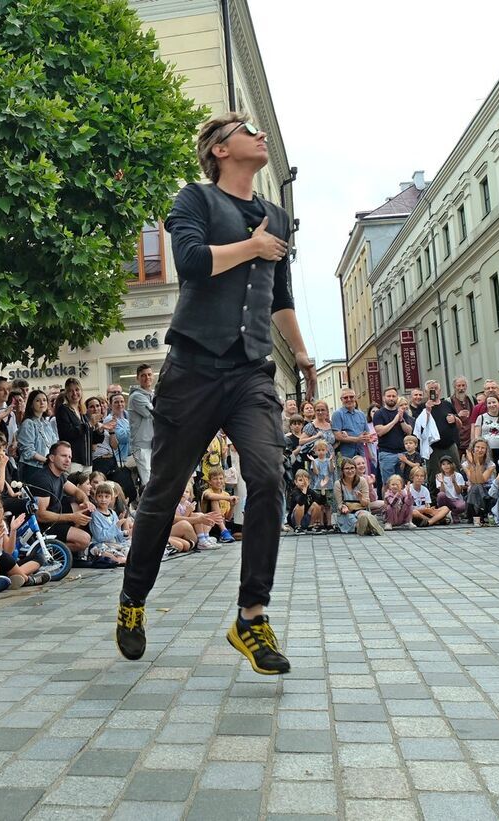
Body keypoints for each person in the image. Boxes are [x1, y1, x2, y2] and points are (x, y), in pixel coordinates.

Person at [115, 114, 317, 672]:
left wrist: (300, 353)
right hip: (193, 369)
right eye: (249, 130)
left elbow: (281, 294)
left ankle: (251, 616)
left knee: (268, 476)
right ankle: (133, 600)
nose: (262, 137)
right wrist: (251, 246)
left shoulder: (277, 216)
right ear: (221, 150)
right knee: (162, 493)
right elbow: (194, 264)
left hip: (251, 370)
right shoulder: (195, 201)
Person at [27, 441, 93, 554]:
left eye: (70, 457)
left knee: (81, 507)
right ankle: (42, 552)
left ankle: (56, 552)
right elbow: (40, 516)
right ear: (52, 458)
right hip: (42, 527)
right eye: (63, 456)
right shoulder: (43, 479)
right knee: (84, 540)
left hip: (54, 521)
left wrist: (86, 502)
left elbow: (77, 491)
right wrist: (72, 517)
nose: (68, 460)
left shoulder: (60, 475)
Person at [0, 486, 47, 587]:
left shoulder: (0, 521)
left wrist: (13, 530)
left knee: (39, 557)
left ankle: (13, 577)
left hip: (6, 565)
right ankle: (27, 580)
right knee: (4, 558)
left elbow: (9, 550)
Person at [372, 386, 413, 486]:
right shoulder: (379, 413)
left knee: (402, 484)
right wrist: (394, 421)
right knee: (388, 484)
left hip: (402, 453)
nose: (391, 398)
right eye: (389, 396)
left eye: (393, 396)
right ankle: (387, 501)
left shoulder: (402, 413)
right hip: (386, 454)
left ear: (397, 397)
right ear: (383, 398)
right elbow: (380, 431)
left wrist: (401, 420)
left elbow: (409, 431)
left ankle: (402, 502)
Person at [54, 378, 95, 468]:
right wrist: (89, 424)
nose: (74, 393)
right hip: (73, 460)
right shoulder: (63, 409)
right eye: (70, 391)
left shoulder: (82, 411)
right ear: (66, 393)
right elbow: (67, 433)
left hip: (87, 461)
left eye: (77, 390)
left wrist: (100, 430)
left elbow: (91, 438)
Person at [126, 364, 155, 487]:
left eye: (149, 374)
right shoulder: (136, 396)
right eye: (143, 375)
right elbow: (155, 413)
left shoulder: (152, 395)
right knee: (148, 482)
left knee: (154, 480)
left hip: (153, 444)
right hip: (142, 446)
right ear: (138, 378)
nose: (147, 377)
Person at [17, 390, 57, 479]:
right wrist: (48, 460)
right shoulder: (28, 423)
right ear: (31, 404)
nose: (42, 403)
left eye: (44, 400)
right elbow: (27, 452)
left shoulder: (46, 423)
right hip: (32, 468)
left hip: (48, 467)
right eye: (38, 400)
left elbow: (55, 444)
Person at [87, 483, 129, 566]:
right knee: (103, 552)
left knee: (129, 548)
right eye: (100, 496)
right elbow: (100, 537)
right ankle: (120, 560)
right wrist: (116, 526)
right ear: (95, 498)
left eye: (106, 496)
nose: (103, 499)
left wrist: (125, 533)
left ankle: (123, 560)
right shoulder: (95, 515)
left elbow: (118, 536)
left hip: (115, 544)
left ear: (111, 498)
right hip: (102, 545)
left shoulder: (113, 513)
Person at [333, 460, 374, 535]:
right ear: (342, 470)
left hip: (360, 509)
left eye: (352, 468)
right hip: (347, 512)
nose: (350, 471)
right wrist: (343, 507)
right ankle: (365, 528)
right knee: (351, 519)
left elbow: (366, 503)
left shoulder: (362, 481)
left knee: (363, 515)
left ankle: (367, 526)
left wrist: (361, 498)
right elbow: (339, 504)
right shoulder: (338, 484)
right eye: (347, 468)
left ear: (355, 469)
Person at [199, 467, 237, 543]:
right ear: (209, 481)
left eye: (221, 478)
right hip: (209, 522)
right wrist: (228, 498)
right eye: (215, 479)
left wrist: (232, 506)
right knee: (214, 499)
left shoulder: (226, 494)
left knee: (243, 531)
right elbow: (210, 496)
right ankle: (224, 532)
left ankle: (224, 534)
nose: (218, 481)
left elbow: (228, 518)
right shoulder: (207, 491)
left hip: (222, 523)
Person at [331, 388, 370, 462]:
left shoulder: (361, 414)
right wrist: (358, 439)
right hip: (345, 455)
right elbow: (337, 436)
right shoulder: (337, 414)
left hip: (361, 453)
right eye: (345, 397)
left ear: (355, 398)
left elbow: (367, 432)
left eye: (351, 397)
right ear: (341, 399)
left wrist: (367, 437)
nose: (349, 399)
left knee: (362, 473)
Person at [463, 439, 495, 526]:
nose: (480, 450)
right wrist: (474, 463)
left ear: (486, 451)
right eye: (477, 447)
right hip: (474, 491)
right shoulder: (465, 464)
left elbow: (481, 480)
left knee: (477, 486)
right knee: (476, 486)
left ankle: (474, 516)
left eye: (483, 448)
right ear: (472, 449)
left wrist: (475, 463)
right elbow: (473, 480)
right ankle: (479, 515)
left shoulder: (490, 464)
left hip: (487, 490)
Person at [472, 393, 499, 463]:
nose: (492, 405)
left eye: (494, 402)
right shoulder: (481, 417)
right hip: (487, 450)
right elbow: (477, 437)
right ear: (486, 405)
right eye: (489, 403)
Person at [450, 376, 474, 455]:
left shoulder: (472, 399)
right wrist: (457, 415)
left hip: (470, 437)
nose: (461, 388)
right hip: (457, 439)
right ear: (454, 387)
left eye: (463, 385)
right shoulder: (449, 401)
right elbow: (447, 419)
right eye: (459, 386)